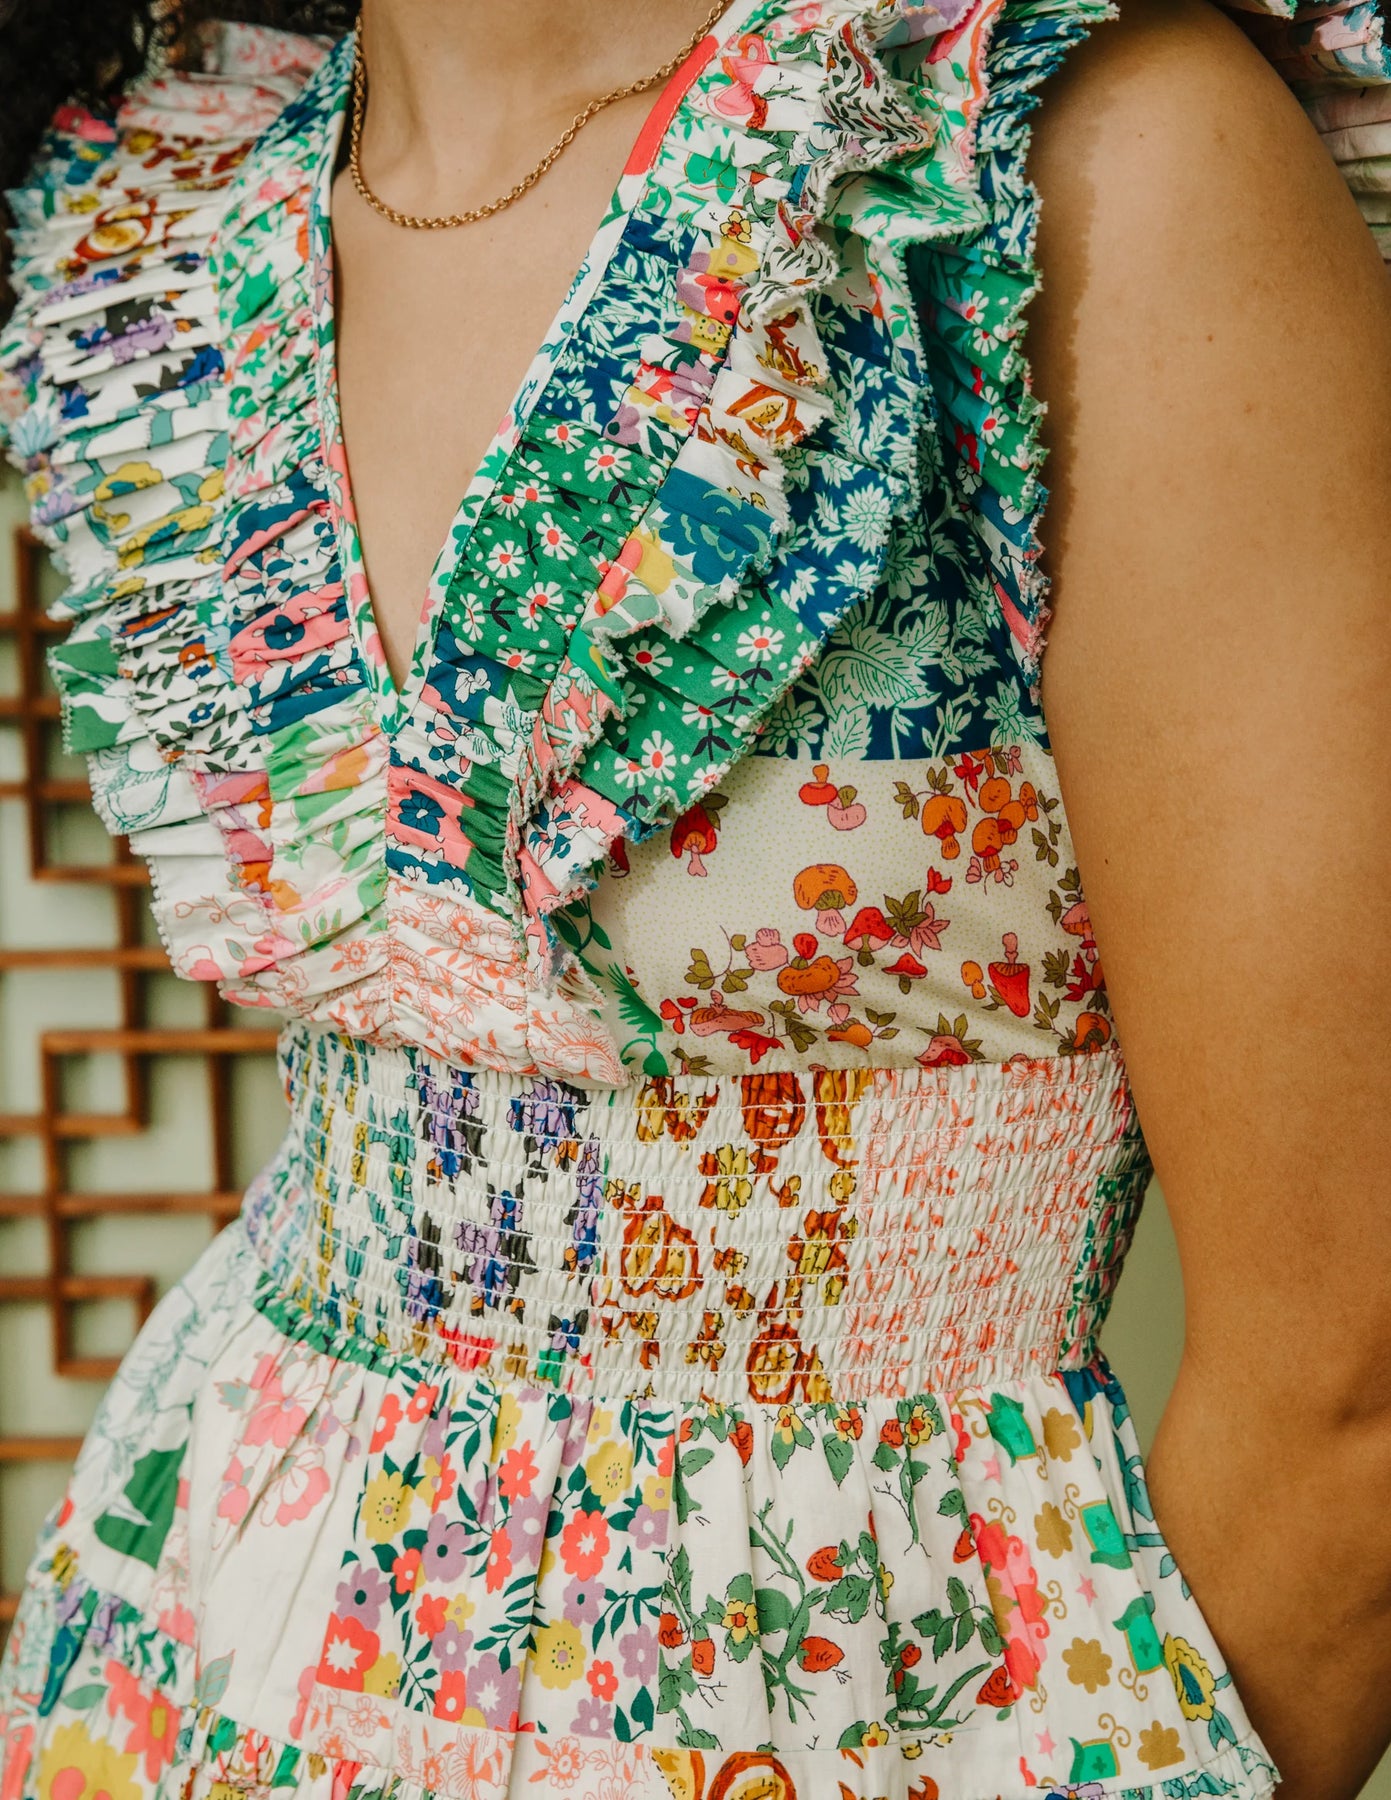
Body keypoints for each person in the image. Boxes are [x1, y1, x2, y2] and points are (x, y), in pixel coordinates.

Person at [0, 0, 1387, 1796]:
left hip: (866, 1720)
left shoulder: (1063, 154)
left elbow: (1353, 1400)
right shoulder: (180, 192)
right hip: (189, 1660)